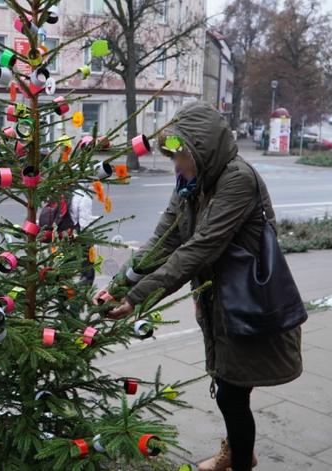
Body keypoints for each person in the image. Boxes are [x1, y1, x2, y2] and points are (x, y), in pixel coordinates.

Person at [93, 102, 303, 471]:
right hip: (218, 300)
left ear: (201, 151)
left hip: (247, 301)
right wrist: (120, 284)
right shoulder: (190, 183)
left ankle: (239, 460)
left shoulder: (237, 179)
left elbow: (199, 248)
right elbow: (163, 240)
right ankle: (240, 449)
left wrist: (138, 298)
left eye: (180, 157)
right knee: (232, 386)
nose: (175, 166)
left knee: (231, 392)